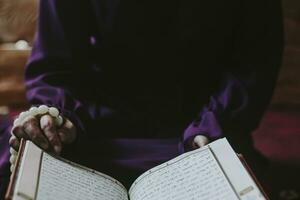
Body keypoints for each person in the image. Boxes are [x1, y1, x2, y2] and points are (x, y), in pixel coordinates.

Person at [3, 0, 283, 195]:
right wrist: (58, 118)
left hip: (196, 138)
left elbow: (253, 64)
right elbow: (55, 65)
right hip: (92, 131)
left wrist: (214, 126)